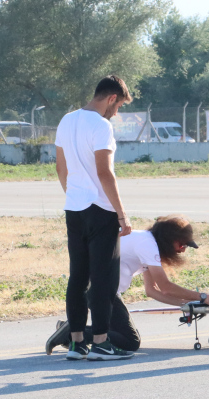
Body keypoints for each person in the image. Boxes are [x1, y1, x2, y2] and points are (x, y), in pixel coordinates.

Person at [45, 215, 209, 356]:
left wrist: (187, 305)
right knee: (129, 341)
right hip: (102, 289)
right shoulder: (148, 245)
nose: (183, 250)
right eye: (182, 244)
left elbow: (152, 291)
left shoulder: (145, 241)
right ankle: (73, 331)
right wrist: (203, 297)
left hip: (101, 288)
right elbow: (166, 287)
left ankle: (73, 330)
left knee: (120, 335)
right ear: (169, 239)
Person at [55, 75, 135, 361]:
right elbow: (105, 172)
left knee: (78, 276)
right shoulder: (101, 126)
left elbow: (60, 167)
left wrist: (73, 194)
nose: (117, 112)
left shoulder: (67, 120)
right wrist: (122, 214)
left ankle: (77, 343)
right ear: (112, 98)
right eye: (119, 105)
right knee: (103, 278)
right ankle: (101, 343)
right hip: (100, 209)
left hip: (74, 208)